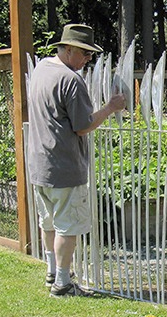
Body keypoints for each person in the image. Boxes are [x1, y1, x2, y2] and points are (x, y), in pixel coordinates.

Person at [27, 23, 126, 297]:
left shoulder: (41, 70)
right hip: (64, 167)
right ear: (68, 49)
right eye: (84, 53)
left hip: (39, 165)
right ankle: (62, 283)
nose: (88, 60)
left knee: (47, 222)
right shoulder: (71, 80)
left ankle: (51, 272)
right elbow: (82, 126)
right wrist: (110, 107)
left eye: (90, 55)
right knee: (66, 227)